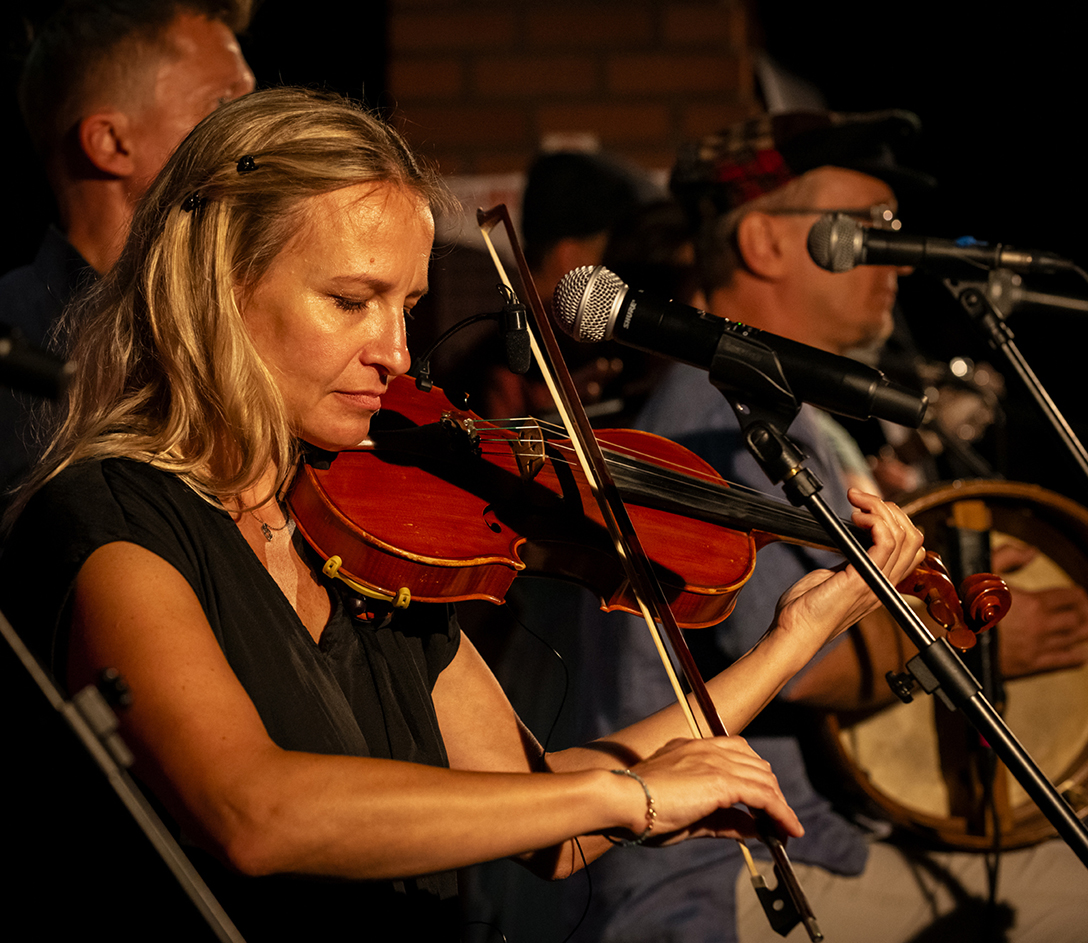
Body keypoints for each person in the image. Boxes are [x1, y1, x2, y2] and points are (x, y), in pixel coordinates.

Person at [0, 88, 926, 941]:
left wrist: (790, 642)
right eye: (350, 301)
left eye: (406, 306)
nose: (397, 354)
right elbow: (254, 810)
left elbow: (540, 810)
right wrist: (627, 797)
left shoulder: (368, 543)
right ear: (219, 286)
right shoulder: (110, 514)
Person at [567, 111, 1088, 942]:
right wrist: (976, 642)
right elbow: (806, 662)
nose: (895, 258)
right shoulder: (711, 411)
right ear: (766, 242)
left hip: (791, 843)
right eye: (867, 228)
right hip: (723, 877)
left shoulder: (765, 405)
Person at [0, 0, 255, 498]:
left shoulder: (243, 314)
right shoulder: (16, 342)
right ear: (111, 142)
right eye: (222, 107)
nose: (259, 136)